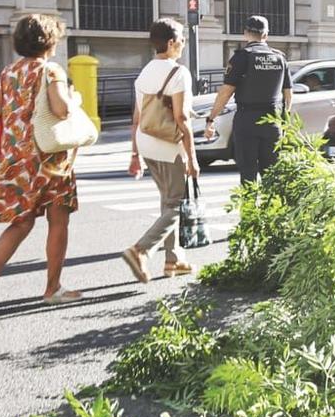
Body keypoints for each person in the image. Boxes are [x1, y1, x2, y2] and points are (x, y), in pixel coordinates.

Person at [0, 13, 81, 312]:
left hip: (15, 159)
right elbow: (61, 110)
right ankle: (52, 288)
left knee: (21, 223)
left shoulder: (9, 72)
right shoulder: (51, 70)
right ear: (49, 41)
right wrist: (74, 100)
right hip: (49, 159)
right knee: (58, 220)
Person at [122, 17, 201, 282]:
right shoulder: (179, 73)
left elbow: (137, 117)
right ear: (170, 43)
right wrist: (192, 157)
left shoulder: (145, 71)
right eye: (181, 39)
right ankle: (140, 250)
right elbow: (182, 119)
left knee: (167, 201)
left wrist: (134, 154)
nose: (183, 43)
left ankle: (174, 260)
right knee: (176, 204)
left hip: (146, 142)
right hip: (168, 146)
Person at [202, 15, 289, 186]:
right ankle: (271, 211)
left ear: (245, 33)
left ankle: (250, 211)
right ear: (266, 35)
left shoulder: (241, 57)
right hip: (273, 121)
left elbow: (225, 93)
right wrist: (284, 121)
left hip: (247, 121)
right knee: (272, 175)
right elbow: (288, 94)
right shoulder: (279, 58)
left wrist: (211, 119)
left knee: (248, 173)